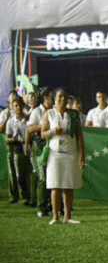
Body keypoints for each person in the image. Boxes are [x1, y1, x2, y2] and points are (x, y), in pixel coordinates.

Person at [41, 87, 85, 225]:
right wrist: (52, 132)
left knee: (68, 185)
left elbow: (79, 135)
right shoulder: (49, 114)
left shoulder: (73, 114)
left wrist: (81, 155)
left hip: (71, 153)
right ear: (54, 99)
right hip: (54, 154)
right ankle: (55, 216)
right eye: (59, 96)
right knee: (55, 185)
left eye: (65, 97)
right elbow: (42, 133)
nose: (62, 99)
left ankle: (68, 216)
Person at [26, 87, 54, 217]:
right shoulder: (37, 111)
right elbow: (30, 129)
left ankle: (51, 205)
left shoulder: (54, 111)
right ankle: (41, 207)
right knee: (42, 178)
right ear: (45, 98)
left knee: (52, 177)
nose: (53, 100)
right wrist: (45, 126)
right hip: (39, 147)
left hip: (52, 147)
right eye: (51, 97)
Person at [5, 95, 32, 206]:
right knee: (19, 175)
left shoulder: (28, 119)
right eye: (15, 106)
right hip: (17, 150)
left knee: (30, 174)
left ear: (22, 106)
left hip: (29, 149)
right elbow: (7, 139)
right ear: (12, 108)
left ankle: (30, 196)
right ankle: (23, 196)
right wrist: (15, 139)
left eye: (20, 105)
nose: (18, 108)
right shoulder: (10, 122)